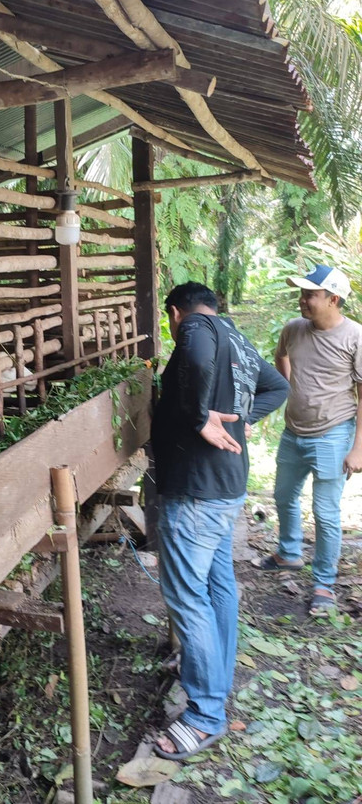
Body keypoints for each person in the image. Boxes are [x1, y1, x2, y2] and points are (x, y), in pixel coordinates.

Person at [150, 282, 288, 761]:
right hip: (226, 486)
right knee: (218, 584)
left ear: (174, 314)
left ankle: (206, 714)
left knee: (187, 597)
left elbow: (196, 360)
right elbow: (279, 386)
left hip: (195, 490)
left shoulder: (197, 328)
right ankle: (217, 676)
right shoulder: (238, 337)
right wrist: (246, 418)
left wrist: (197, 418)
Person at [253, 265, 362, 615]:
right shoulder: (293, 329)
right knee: (283, 495)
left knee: (325, 512)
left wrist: (358, 448)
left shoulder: (355, 337)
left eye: (310, 295)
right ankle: (288, 553)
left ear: (333, 298)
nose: (302, 300)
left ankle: (324, 584)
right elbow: (280, 357)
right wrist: (289, 390)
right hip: (293, 432)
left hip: (333, 434)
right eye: (301, 293)